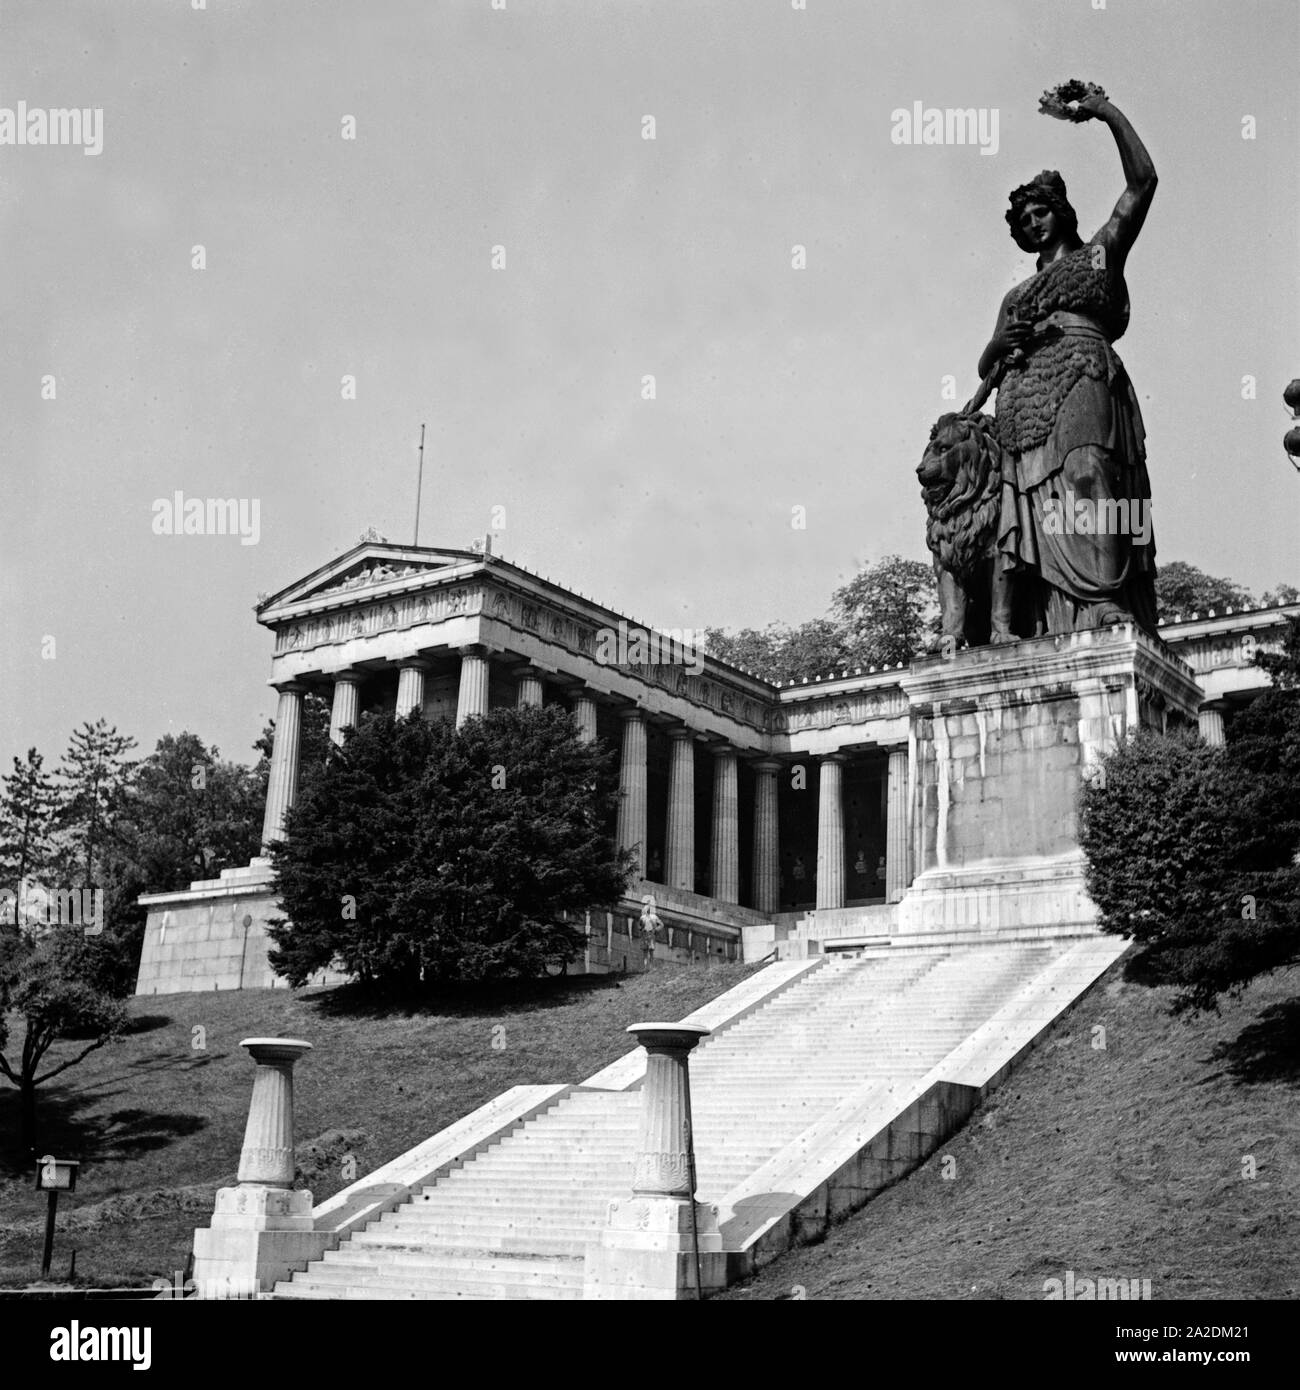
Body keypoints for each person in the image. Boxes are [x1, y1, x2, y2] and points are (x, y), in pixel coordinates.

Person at [977, 89, 1159, 638]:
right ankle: (1055, 617)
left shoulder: (1099, 253)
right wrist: (998, 343)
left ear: (1061, 212)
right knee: (1035, 507)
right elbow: (986, 366)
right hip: (1024, 401)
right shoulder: (1018, 294)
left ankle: (1102, 598)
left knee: (1088, 474)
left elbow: (1143, 182)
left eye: (1041, 212)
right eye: (1024, 219)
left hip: (1084, 374)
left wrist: (1103, 111)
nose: (1033, 223)